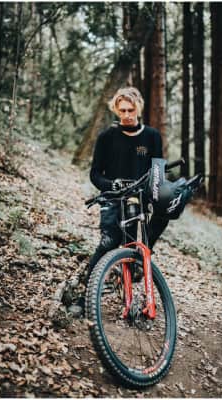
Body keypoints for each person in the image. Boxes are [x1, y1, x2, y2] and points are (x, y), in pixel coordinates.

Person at [86, 87, 170, 279]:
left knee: (164, 210)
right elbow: (95, 174)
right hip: (114, 199)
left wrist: (156, 191)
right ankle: (88, 288)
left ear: (138, 108)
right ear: (116, 109)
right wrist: (111, 185)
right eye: (122, 110)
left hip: (140, 196)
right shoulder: (106, 137)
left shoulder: (152, 136)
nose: (126, 115)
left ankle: (141, 257)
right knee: (109, 242)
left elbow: (158, 170)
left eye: (130, 110)